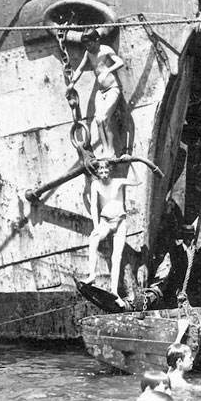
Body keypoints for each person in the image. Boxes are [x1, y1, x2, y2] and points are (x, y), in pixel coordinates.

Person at [85, 157, 141, 297]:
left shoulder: (118, 182)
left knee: (116, 257)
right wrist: (96, 225)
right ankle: (92, 274)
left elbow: (138, 181)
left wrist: (131, 163)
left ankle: (114, 291)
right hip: (105, 221)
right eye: (100, 171)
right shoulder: (95, 185)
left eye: (105, 171)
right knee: (93, 238)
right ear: (97, 173)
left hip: (120, 222)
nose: (103, 174)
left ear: (109, 171)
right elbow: (93, 206)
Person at [67, 28, 125, 157]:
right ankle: (106, 150)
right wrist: (72, 83)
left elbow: (120, 62)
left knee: (105, 118)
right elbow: (80, 69)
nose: (88, 47)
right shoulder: (88, 53)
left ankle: (111, 151)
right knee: (98, 120)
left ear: (97, 40)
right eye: (86, 45)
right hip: (101, 91)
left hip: (112, 89)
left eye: (89, 44)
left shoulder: (106, 50)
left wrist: (107, 70)